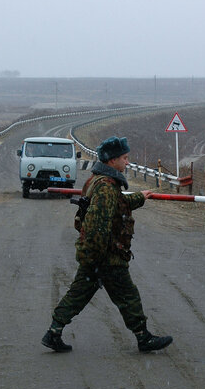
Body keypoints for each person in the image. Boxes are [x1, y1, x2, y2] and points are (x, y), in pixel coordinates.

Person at [42, 136, 173, 353]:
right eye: (125, 158)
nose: (127, 162)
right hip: (106, 256)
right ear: (112, 161)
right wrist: (99, 258)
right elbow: (98, 224)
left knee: (78, 294)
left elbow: (118, 203)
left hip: (95, 255)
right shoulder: (105, 186)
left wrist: (140, 197)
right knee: (128, 295)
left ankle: (53, 332)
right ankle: (143, 338)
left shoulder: (98, 180)